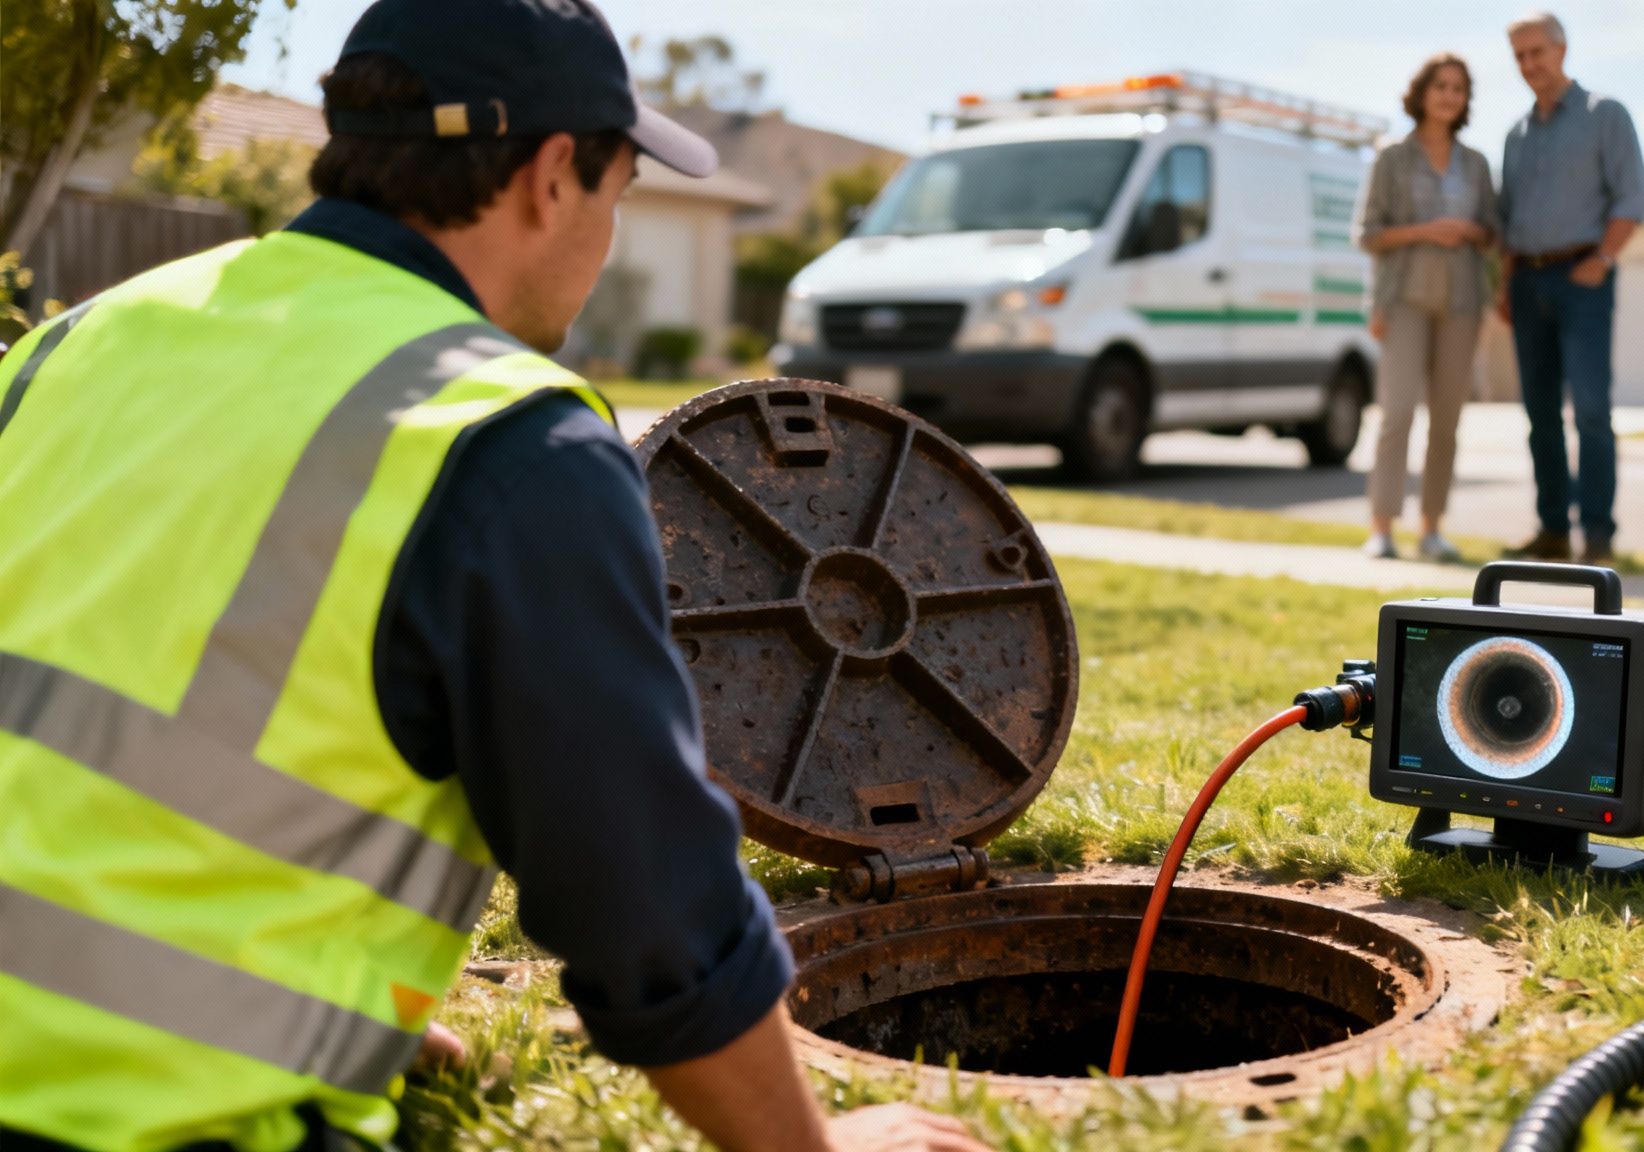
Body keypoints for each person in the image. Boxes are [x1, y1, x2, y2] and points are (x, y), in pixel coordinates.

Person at [0, 3, 989, 1151]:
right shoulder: (501, 438)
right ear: (552, 175)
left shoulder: (79, 341)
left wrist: (315, 1001)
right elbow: (645, 906)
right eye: (621, 192)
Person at [1496, 11, 1644, 564]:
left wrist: (1603, 258)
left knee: (1590, 410)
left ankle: (1598, 535)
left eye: (1536, 51)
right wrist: (1506, 285)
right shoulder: (1516, 134)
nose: (1528, 64)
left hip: (1583, 278)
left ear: (1562, 49)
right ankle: (1553, 531)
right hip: (1526, 280)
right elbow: (1508, 218)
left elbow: (1633, 197)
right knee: (1539, 414)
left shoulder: (1604, 114)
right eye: (1519, 56)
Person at [1353, 53, 1499, 563]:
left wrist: (1471, 231)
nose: (1448, 95)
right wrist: (1424, 231)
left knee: (1447, 420)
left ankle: (1432, 530)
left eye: (1458, 88)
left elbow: (1492, 233)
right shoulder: (1391, 157)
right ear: (1422, 92)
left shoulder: (1476, 163)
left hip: (1462, 303)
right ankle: (1382, 529)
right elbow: (1368, 234)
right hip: (1404, 301)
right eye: (1440, 86)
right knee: (1396, 414)